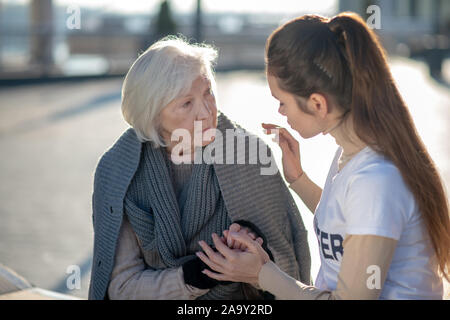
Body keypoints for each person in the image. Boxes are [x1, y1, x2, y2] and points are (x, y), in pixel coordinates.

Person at [196, 12, 450, 300]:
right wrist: (298, 179)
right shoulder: (352, 153)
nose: (280, 112)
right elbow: (348, 224)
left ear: (317, 103)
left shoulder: (376, 180)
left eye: (282, 101)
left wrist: (260, 273)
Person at [88, 36, 312, 300]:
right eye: (186, 103)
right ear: (152, 115)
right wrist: (196, 274)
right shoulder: (118, 172)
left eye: (208, 93)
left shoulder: (249, 155)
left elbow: (288, 272)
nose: (206, 112)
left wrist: (255, 255)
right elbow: (121, 288)